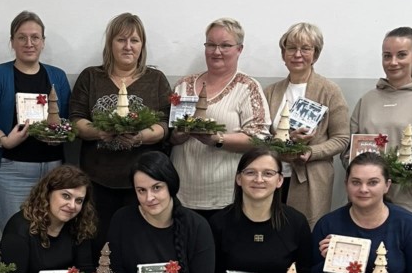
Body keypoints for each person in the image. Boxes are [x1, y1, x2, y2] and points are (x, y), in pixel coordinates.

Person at [70, 13, 170, 252]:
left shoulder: (155, 79)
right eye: (121, 40)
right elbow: (75, 119)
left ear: (142, 45)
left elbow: (166, 124)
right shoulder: (91, 77)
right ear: (110, 43)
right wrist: (99, 132)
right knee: (98, 242)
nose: (128, 46)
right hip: (97, 180)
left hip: (143, 184)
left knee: (139, 245)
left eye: (134, 40)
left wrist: (141, 136)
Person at [0, 10, 72, 230]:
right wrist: (4, 140)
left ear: (43, 42)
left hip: (53, 170)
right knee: (14, 231)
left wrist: (58, 134)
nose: (29, 43)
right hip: (10, 170)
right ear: (12, 42)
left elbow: (67, 118)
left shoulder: (57, 76)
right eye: (22, 37)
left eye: (35, 37)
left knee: (51, 231)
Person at [170, 18, 270, 220]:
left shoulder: (248, 87)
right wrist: (180, 134)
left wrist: (218, 139)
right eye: (211, 45)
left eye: (225, 45)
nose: (216, 51)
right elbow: (171, 136)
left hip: (226, 197)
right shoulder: (183, 85)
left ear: (239, 49)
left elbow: (259, 138)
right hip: (181, 194)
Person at [346, 27, 412, 220]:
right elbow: (348, 151)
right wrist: (363, 173)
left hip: (408, 201)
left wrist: (408, 172)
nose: (393, 62)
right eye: (387, 56)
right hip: (364, 201)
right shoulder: (367, 100)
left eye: (401, 55)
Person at [263, 22, 349, 227]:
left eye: (305, 48)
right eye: (291, 48)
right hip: (272, 177)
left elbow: (342, 138)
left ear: (315, 54)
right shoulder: (270, 92)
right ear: (283, 54)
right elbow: (260, 135)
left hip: (311, 178)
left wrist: (310, 151)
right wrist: (283, 141)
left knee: (304, 232)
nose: (297, 54)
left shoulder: (329, 91)